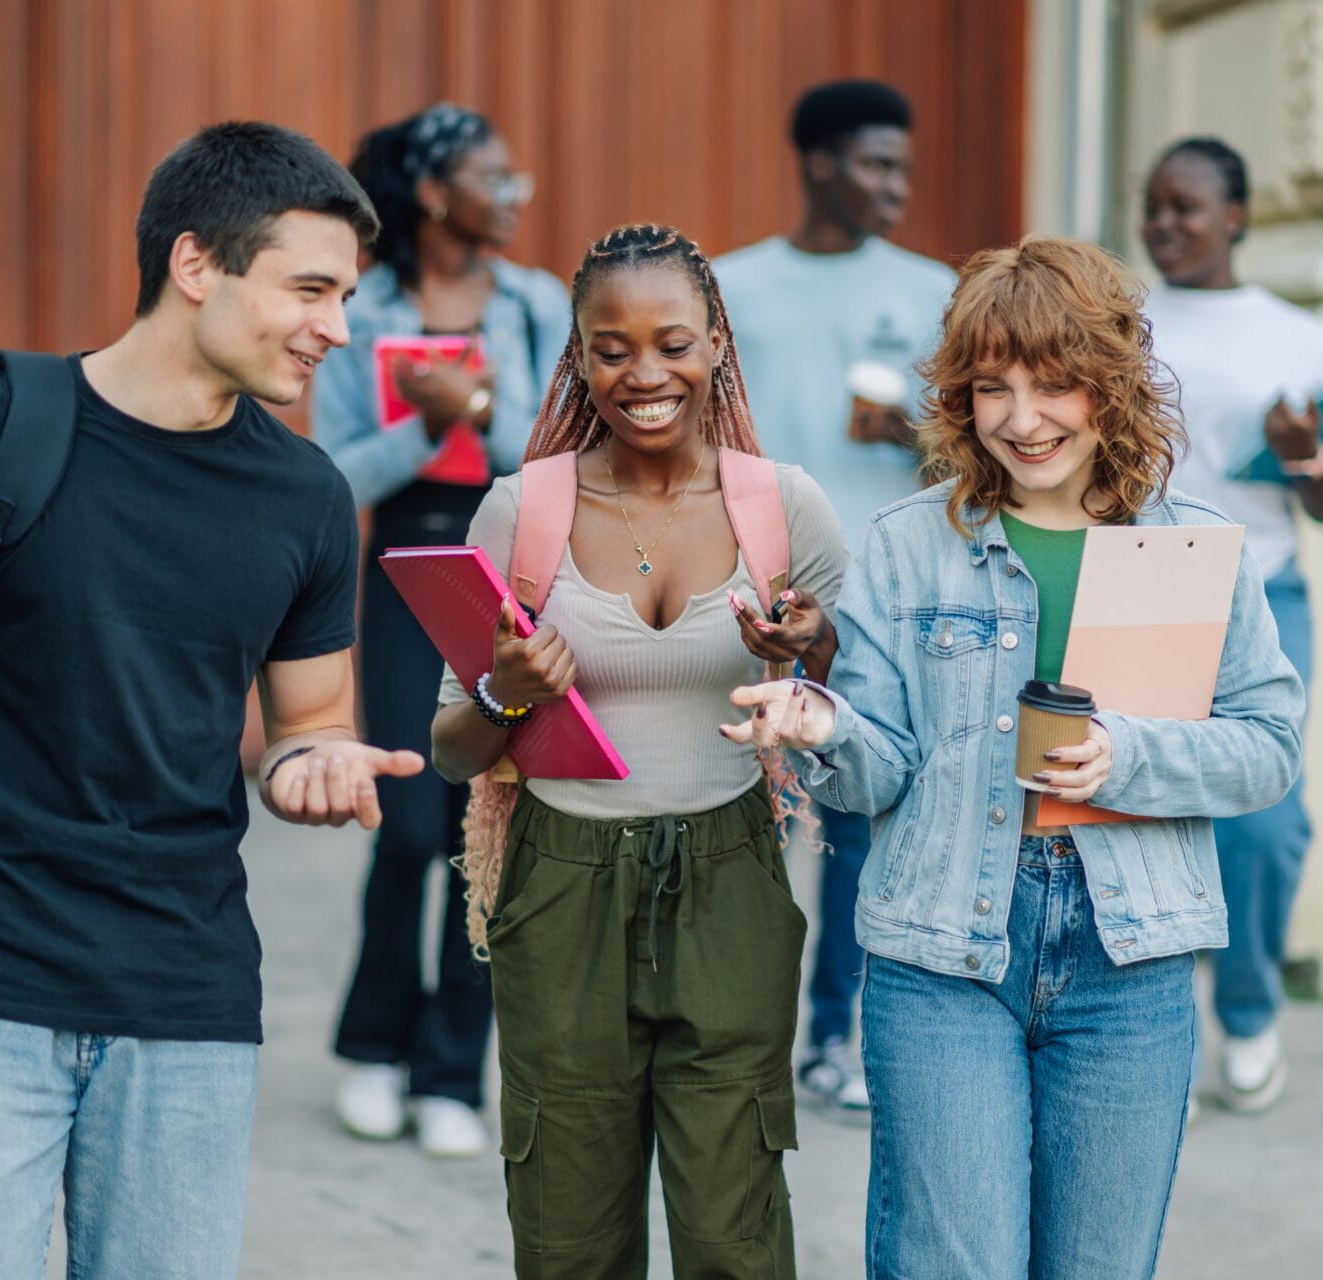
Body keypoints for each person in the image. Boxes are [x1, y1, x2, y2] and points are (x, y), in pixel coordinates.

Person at [0, 122, 424, 1280]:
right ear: (195, 265)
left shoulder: (307, 497)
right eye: (310, 289)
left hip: (189, 994)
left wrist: (314, 765)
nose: (338, 328)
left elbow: (309, 722)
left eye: (346, 296)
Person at [724, 236, 1305, 1277]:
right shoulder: (906, 544)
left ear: (1111, 384)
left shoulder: (1195, 545)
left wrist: (1126, 755)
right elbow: (879, 773)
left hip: (1131, 959)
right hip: (943, 948)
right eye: (993, 385)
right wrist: (821, 729)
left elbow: (1268, 749)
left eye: (1055, 384)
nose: (1022, 418)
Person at [428, 224, 847, 1278]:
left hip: (732, 876)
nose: (644, 373)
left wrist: (813, 650)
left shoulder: (784, 507)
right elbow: (449, 747)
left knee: (734, 1228)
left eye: (672, 342)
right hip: (561, 882)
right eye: (610, 348)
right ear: (577, 355)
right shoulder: (522, 511)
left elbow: (863, 712)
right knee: (568, 1232)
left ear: (717, 342)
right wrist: (507, 697)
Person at [311, 103, 569, 1159]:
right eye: (492, 178)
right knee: (414, 822)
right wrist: (424, 420)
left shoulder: (537, 302)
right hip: (409, 564)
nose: (514, 195)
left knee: (488, 824)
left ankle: (453, 1072)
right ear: (432, 195)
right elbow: (332, 476)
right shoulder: (360, 306)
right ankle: (376, 1046)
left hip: (513, 571)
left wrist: (474, 410)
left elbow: (550, 461)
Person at [713, 78, 956, 1112]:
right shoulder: (730, 286)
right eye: (875, 164)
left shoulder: (936, 288)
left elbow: (983, 448)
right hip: (745, 595)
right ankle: (730, 1032)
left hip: (881, 598)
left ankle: (839, 1039)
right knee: (739, 818)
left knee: (860, 822)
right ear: (817, 161)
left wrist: (912, 436)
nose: (896, 186)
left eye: (902, 165)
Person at [1140, 136, 1323, 1113]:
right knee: (1139, 805)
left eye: (1185, 207)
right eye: (1152, 206)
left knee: (1263, 824)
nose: (1164, 224)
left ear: (1237, 217)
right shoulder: (1120, 322)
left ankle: (1249, 1005)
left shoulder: (1294, 338)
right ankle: (1156, 1025)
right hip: (1142, 582)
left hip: (1262, 587)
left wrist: (1309, 455)